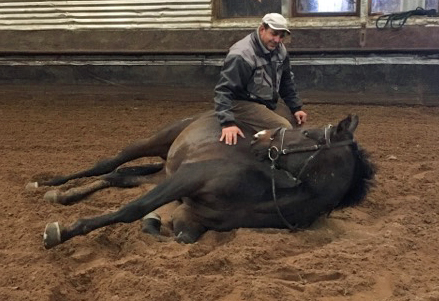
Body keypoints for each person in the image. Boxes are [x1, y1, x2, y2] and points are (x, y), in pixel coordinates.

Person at [214, 13, 307, 145]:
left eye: (281, 36)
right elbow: (224, 89)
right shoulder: (242, 55)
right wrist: (227, 123)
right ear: (262, 29)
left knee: (295, 121)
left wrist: (296, 108)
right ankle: (264, 157)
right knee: (284, 128)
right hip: (241, 102)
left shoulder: (280, 50)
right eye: (274, 34)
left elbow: (286, 81)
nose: (277, 40)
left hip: (265, 100)